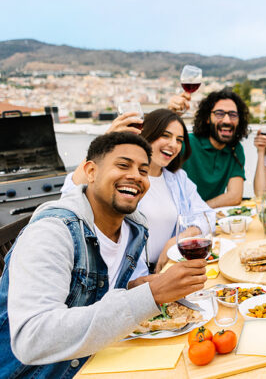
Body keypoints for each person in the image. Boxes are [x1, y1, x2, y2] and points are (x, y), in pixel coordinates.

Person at [0, 132, 208, 378]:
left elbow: (91, 297)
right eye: (122, 165)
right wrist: (149, 295)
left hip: (99, 357)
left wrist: (133, 288)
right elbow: (31, 339)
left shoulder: (134, 229)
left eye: (143, 170)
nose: (135, 176)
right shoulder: (52, 232)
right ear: (90, 171)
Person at [63, 109, 214, 273]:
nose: (173, 144)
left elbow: (207, 215)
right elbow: (70, 196)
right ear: (146, 134)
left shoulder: (178, 179)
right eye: (165, 135)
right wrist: (106, 140)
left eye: (179, 140)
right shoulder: (123, 179)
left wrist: (176, 241)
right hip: (129, 279)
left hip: (167, 269)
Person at [168, 89, 249, 207]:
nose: (227, 120)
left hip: (207, 217)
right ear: (207, 118)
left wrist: (201, 210)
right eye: (219, 114)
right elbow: (154, 150)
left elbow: (234, 196)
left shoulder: (235, 149)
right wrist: (169, 114)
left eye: (233, 115)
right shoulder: (186, 142)